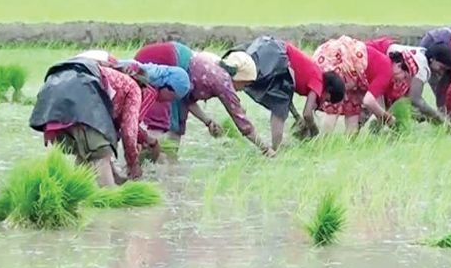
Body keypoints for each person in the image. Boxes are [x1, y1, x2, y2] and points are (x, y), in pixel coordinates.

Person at [28, 50, 184, 186]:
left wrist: (119, 176)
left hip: (50, 95)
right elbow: (129, 131)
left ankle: (73, 194)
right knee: (101, 154)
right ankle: (111, 204)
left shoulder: (109, 78)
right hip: (79, 93)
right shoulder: (133, 87)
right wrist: (133, 164)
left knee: (85, 159)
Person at [224, 36, 346, 150]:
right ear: (328, 90)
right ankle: (276, 149)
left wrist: (296, 117)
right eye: (327, 99)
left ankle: (220, 78)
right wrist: (315, 134)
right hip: (277, 55)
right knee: (279, 104)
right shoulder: (318, 80)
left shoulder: (312, 74)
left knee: (241, 71)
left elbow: (287, 93)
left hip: (267, 46)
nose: (323, 102)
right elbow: (307, 114)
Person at [175, 50, 274, 156]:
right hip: (171, 79)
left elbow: (187, 101)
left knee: (176, 124)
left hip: (175, 79)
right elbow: (243, 123)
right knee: (174, 125)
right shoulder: (223, 82)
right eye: (245, 84)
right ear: (240, 77)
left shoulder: (216, 65)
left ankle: (168, 161)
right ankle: (168, 162)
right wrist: (265, 149)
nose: (242, 89)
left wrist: (208, 122)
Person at [312, 35, 417, 134]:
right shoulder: (387, 71)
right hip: (337, 60)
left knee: (353, 109)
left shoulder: (383, 65)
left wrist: (381, 117)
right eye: (404, 77)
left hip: (351, 74)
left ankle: (348, 147)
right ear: (398, 66)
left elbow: (376, 103)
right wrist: (387, 118)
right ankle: (321, 145)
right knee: (334, 107)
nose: (402, 81)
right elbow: (368, 101)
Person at [365, 36, 451, 123]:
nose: (441, 72)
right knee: (375, 109)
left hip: (371, 54)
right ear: (433, 59)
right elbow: (415, 99)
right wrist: (440, 119)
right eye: (441, 67)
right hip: (371, 61)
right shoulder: (422, 65)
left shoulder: (419, 53)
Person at [134, 41, 194, 137]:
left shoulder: (146, 76)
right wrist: (150, 142)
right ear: (169, 88)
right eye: (172, 98)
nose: (169, 101)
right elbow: (132, 125)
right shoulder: (148, 92)